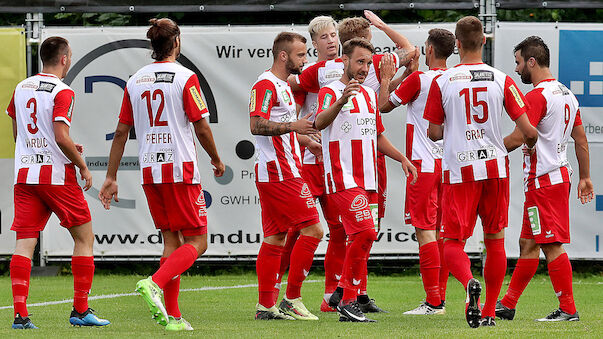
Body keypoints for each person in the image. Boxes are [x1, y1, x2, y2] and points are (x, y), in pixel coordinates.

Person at [98, 18, 225, 331]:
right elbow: (201, 125)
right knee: (198, 242)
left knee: (171, 240)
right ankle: (154, 283)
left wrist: (111, 176)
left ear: (152, 46)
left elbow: (120, 132)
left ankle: (174, 318)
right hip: (180, 169)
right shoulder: (185, 78)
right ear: (176, 43)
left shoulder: (135, 80)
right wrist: (216, 158)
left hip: (151, 172)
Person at [289, 11, 416, 314]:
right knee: (363, 233)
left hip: (368, 178)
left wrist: (403, 159)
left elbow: (378, 137)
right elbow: (318, 121)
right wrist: (341, 100)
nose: (364, 68)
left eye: (368, 64)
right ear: (344, 60)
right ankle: (344, 297)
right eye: (359, 62)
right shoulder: (332, 89)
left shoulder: (371, 96)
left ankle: (346, 295)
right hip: (342, 177)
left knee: (362, 235)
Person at [423, 16, 538, 328]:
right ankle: (488, 312)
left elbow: (434, 133)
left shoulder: (442, 81)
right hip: (494, 168)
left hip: (460, 169)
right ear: (484, 42)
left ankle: (467, 283)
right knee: (496, 241)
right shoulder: (502, 79)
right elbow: (529, 131)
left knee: (450, 241)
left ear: (457, 44)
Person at [6, 36, 110, 329]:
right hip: (56, 176)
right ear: (64, 58)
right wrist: (83, 166)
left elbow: (20, 136)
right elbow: (60, 136)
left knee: (24, 244)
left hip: (26, 175)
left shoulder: (21, 87)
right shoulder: (63, 91)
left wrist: (55, 146)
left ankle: (20, 316)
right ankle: (80, 311)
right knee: (84, 238)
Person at [497, 36, 593, 322]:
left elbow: (520, 137)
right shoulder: (566, 93)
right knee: (528, 243)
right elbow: (581, 140)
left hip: (544, 181)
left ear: (531, 61)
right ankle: (508, 304)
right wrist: (585, 176)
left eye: (517, 62)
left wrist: (485, 152)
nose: (516, 69)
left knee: (551, 244)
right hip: (552, 178)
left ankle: (568, 309)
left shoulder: (537, 95)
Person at [379, 28, 456, 315]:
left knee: (425, 233)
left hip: (422, 165)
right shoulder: (457, 78)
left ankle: (434, 302)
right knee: (443, 235)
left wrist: (386, 77)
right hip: (450, 166)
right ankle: (441, 298)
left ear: (430, 50)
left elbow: (383, 107)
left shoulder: (419, 79)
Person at [249, 31, 324, 321]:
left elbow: (284, 127)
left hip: (282, 167)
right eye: (300, 55)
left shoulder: (281, 85)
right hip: (279, 171)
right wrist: (294, 127)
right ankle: (291, 299)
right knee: (314, 230)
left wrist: (307, 142)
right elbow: (256, 125)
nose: (305, 59)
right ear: (284, 56)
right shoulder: (266, 84)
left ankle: (265, 306)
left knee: (275, 237)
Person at [273, 16, 345, 314]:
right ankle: (276, 290)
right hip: (307, 160)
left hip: (334, 160)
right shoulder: (300, 78)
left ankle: (330, 297)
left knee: (339, 229)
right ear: (314, 44)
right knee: (297, 228)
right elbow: (289, 123)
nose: (331, 40)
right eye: (324, 37)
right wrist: (307, 141)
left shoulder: (346, 70)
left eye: (333, 35)